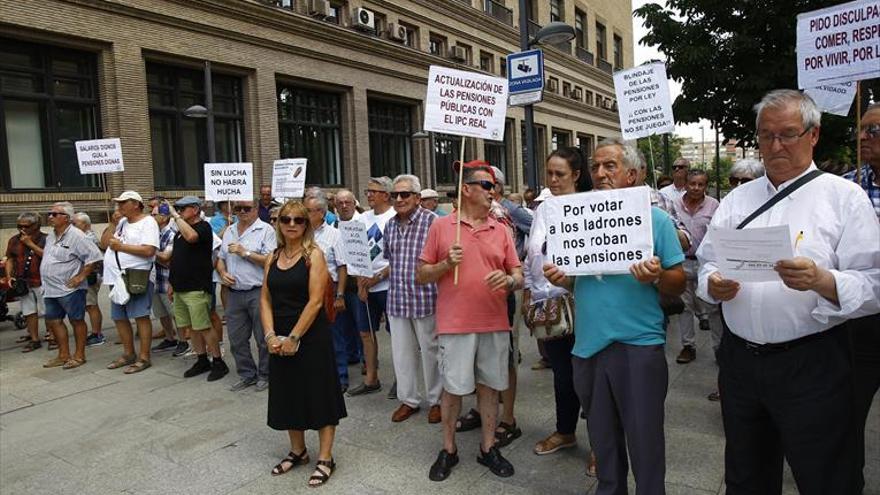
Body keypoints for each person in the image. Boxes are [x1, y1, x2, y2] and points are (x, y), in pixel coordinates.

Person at [697, 90, 880, 494]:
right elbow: (708, 261)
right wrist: (713, 283)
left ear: (813, 135)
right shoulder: (738, 199)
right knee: (746, 476)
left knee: (826, 475)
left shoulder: (843, 197)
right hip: (741, 361)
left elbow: (874, 283)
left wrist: (822, 280)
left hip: (811, 363)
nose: (775, 145)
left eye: (788, 134)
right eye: (766, 136)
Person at [544, 138, 686, 494]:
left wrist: (656, 276)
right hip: (588, 347)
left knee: (645, 443)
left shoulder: (656, 220)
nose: (601, 173)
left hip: (638, 346)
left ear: (633, 175)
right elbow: (582, 284)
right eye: (596, 167)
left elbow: (678, 282)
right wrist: (565, 279)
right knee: (604, 445)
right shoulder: (580, 218)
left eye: (611, 166)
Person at [418, 161, 523, 482]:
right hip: (455, 324)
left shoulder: (501, 228)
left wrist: (509, 280)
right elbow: (421, 274)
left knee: (490, 388)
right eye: (487, 186)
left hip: (493, 323)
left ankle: (487, 446)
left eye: (495, 187)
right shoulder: (441, 227)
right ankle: (448, 448)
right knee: (453, 389)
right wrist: (445, 264)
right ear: (467, 189)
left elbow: (518, 274)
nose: (494, 192)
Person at [261, 201, 346, 487]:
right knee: (288, 392)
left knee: (318, 393)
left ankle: (325, 457)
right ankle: (298, 451)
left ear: (306, 224)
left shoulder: (315, 255)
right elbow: (265, 298)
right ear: (279, 223)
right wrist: (271, 335)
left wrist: (294, 337)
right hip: (279, 334)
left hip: (310, 335)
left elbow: (315, 302)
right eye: (286, 219)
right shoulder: (272, 257)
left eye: (299, 219)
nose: (292, 224)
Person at [524, 148, 596, 475]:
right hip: (549, 305)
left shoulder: (592, 206)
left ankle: (601, 443)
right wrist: (529, 291)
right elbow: (533, 254)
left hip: (585, 305)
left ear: (577, 175)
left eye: (560, 174)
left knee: (591, 377)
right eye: (549, 173)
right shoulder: (543, 209)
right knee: (563, 375)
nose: (553, 180)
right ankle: (565, 431)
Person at [704, 158, 765, 403]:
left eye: (745, 181)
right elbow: (708, 257)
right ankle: (724, 383)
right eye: (734, 180)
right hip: (729, 300)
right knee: (721, 343)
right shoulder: (727, 206)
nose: (738, 185)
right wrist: (711, 280)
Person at [843, 102, 880, 493]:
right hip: (863, 320)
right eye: (862, 130)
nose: (863, 138)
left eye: (874, 131)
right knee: (848, 413)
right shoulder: (849, 187)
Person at [384, 174, 441, 423]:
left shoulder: (433, 223)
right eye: (394, 195)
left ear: (418, 198)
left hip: (426, 298)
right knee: (401, 353)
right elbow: (390, 260)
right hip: (397, 298)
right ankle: (408, 400)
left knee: (431, 352)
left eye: (404, 194)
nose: (399, 199)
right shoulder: (389, 225)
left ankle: (436, 400)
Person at [218, 199, 276, 392]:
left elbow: (270, 260)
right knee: (236, 338)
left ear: (256, 209)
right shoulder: (229, 230)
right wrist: (222, 272)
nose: (242, 212)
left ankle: (266, 375)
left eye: (247, 208)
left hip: (258, 291)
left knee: (263, 338)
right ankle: (247, 374)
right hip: (234, 293)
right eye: (238, 208)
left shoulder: (266, 230)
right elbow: (220, 259)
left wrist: (245, 252)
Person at [169, 196, 229, 382]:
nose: (178, 213)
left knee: (203, 325)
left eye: (182, 209)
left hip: (196, 287)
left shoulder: (203, 227)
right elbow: (177, 257)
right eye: (177, 209)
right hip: (180, 287)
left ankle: (218, 361)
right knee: (191, 327)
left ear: (194, 209)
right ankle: (201, 358)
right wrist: (172, 283)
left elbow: (192, 237)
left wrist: (175, 217)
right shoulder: (180, 231)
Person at [347, 177, 395, 396]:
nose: (369, 195)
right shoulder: (362, 219)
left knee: (397, 335)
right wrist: (360, 282)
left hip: (389, 286)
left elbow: (402, 257)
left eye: (373, 191)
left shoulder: (395, 218)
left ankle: (401, 379)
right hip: (365, 285)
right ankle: (371, 378)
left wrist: (378, 276)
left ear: (386, 194)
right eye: (367, 191)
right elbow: (355, 252)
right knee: (366, 333)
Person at [102, 191, 159, 374]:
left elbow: (149, 250)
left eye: (123, 203)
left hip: (136, 276)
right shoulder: (121, 223)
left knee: (140, 316)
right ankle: (128, 353)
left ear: (135, 204)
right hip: (116, 277)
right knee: (119, 317)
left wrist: (121, 247)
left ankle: (144, 356)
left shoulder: (148, 222)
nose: (119, 206)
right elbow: (104, 244)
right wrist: (112, 224)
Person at [40, 202, 102, 369]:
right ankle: (63, 355)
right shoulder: (51, 235)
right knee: (54, 320)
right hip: (50, 288)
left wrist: (80, 277)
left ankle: (79, 355)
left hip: (69, 289)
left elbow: (94, 258)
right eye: (50, 213)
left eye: (55, 214)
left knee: (76, 320)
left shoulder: (77, 236)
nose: (50, 217)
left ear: (66, 218)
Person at [671, 169, 720, 365]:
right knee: (684, 307)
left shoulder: (714, 206)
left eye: (701, 184)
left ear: (706, 186)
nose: (696, 188)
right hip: (681, 261)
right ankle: (688, 346)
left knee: (713, 307)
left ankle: (719, 349)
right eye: (692, 184)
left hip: (705, 263)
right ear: (686, 184)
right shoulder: (674, 205)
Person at [304, 191, 350, 392]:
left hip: (328, 290)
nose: (305, 215)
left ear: (321, 213)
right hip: (304, 290)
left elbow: (342, 266)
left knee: (334, 336)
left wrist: (340, 295)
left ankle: (340, 378)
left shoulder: (334, 235)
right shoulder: (299, 233)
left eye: (309, 211)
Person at [330, 189, 364, 373]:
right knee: (344, 325)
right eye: (340, 203)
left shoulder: (363, 223)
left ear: (354, 203)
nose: (344, 206)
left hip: (359, 282)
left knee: (363, 326)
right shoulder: (333, 226)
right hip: (341, 284)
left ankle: (368, 362)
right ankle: (352, 356)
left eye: (347, 202)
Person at [5, 212, 47, 352]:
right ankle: (34, 339)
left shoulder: (46, 239)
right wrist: (9, 276)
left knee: (48, 311)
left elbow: (48, 256)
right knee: (29, 312)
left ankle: (52, 336)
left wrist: (30, 244)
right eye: (19, 226)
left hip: (42, 281)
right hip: (24, 281)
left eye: (26, 226)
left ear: (36, 225)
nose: (22, 229)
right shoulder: (14, 240)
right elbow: (10, 258)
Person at [149, 203, 181, 354]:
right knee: (161, 313)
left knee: (175, 313)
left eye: (154, 214)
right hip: (155, 280)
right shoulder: (153, 233)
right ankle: (169, 339)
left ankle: (183, 341)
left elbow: (167, 257)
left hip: (168, 281)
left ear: (164, 217)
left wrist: (147, 249)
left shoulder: (172, 234)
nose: (151, 217)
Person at [73, 213, 106, 347]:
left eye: (76, 224)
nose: (73, 226)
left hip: (90, 275)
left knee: (91, 305)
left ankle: (97, 333)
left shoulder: (88, 238)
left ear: (86, 225)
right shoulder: (80, 237)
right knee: (88, 305)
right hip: (85, 275)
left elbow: (95, 259)